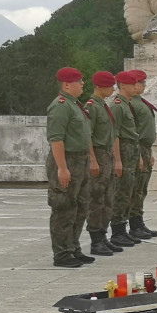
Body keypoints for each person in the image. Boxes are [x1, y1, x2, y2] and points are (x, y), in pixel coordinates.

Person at [46, 67, 92, 268]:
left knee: (80, 206)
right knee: (64, 207)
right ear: (66, 84)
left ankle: (73, 248)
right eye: (78, 81)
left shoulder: (75, 105)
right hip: (67, 160)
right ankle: (62, 253)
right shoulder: (61, 106)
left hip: (80, 160)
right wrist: (62, 168)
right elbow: (57, 139)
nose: (82, 84)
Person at [85, 71, 121, 257]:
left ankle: (103, 236)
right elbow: (88, 136)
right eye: (110, 86)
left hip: (107, 155)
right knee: (97, 199)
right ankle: (95, 240)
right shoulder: (92, 107)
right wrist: (92, 159)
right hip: (98, 154)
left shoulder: (103, 106)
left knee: (108, 198)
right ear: (99, 87)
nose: (113, 89)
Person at [109, 71, 141, 248]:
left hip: (132, 151)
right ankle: (117, 231)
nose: (135, 87)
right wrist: (118, 160)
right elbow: (115, 135)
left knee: (129, 191)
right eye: (132, 84)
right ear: (123, 86)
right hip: (124, 151)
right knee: (121, 192)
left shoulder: (126, 105)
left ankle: (123, 229)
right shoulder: (117, 106)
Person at [129, 70, 157, 239]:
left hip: (146, 148)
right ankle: (134, 225)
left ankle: (138, 222)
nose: (143, 85)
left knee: (142, 188)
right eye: (141, 82)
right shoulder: (131, 104)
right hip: (138, 148)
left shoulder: (140, 102)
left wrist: (150, 152)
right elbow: (133, 131)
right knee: (136, 189)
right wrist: (140, 155)